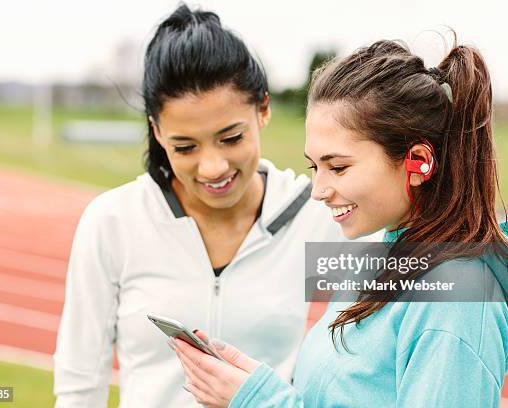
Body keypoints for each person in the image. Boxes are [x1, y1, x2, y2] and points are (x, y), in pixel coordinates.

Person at [170, 38, 508, 407]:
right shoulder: (378, 257)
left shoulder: (457, 298)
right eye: (314, 166)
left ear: (419, 161)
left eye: (337, 166)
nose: (318, 189)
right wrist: (255, 385)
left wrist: (259, 401)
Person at [51, 4, 356, 407]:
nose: (213, 167)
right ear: (157, 131)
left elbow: (443, 285)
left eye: (231, 138)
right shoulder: (114, 222)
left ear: (262, 110)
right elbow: (79, 383)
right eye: (185, 147)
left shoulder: (313, 215)